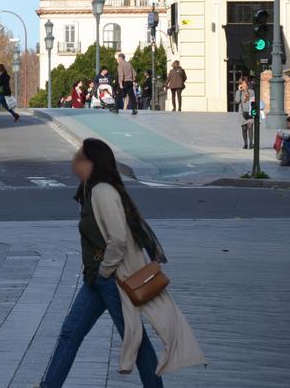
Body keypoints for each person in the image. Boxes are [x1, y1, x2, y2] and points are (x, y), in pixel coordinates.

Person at [40, 138, 204, 387]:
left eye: (78, 158)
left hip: (112, 279)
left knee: (135, 340)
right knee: (70, 333)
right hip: (97, 279)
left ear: (92, 163)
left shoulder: (102, 192)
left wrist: (105, 271)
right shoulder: (91, 189)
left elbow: (117, 239)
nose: (73, 163)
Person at [234, 77, 255, 149]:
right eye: (241, 83)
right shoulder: (238, 92)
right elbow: (237, 101)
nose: (243, 85)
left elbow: (254, 101)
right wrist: (239, 91)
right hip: (242, 113)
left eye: (244, 83)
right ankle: (245, 143)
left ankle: (251, 143)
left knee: (250, 126)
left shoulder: (251, 91)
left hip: (250, 111)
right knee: (244, 128)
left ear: (247, 84)